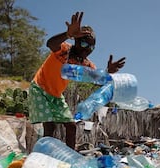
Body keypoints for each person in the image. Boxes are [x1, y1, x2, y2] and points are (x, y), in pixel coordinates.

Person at [28, 11, 126, 149]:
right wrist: (67, 34)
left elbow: (97, 77)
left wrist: (107, 71)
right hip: (40, 89)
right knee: (49, 127)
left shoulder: (85, 63)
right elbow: (50, 43)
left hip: (56, 96)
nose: (88, 50)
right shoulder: (64, 49)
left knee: (71, 126)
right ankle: (44, 158)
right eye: (85, 44)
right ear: (76, 40)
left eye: (91, 47)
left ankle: (71, 158)